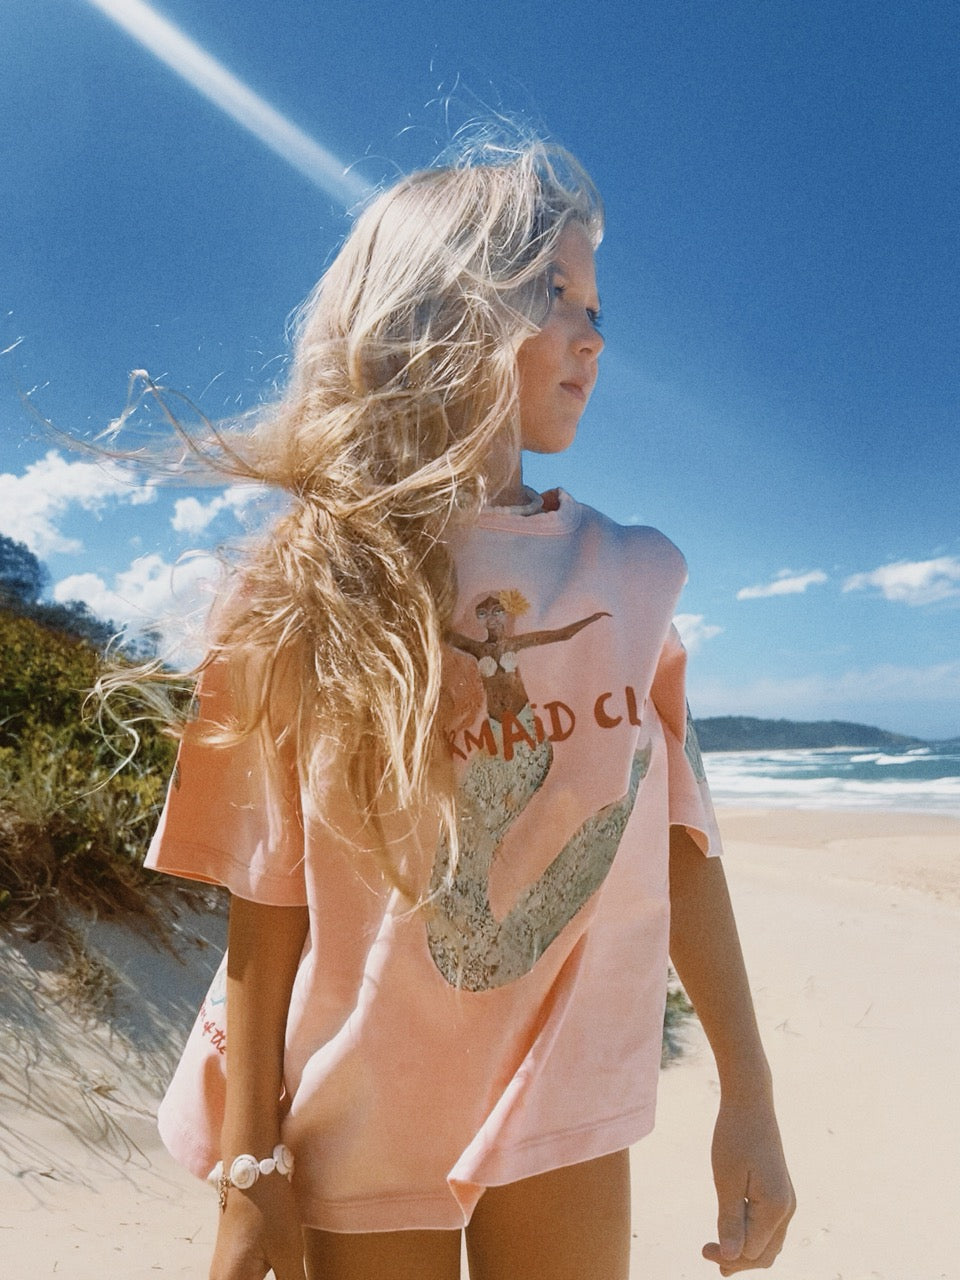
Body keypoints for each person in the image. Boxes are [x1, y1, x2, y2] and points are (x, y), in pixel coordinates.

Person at [141, 141, 795, 1280]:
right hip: (359, 1099)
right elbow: (267, 887)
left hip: (565, 1092)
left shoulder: (629, 575)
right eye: (559, 298)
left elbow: (680, 843)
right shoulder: (305, 582)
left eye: (601, 305)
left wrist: (750, 1094)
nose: (596, 336)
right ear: (446, 306)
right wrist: (250, 1169)